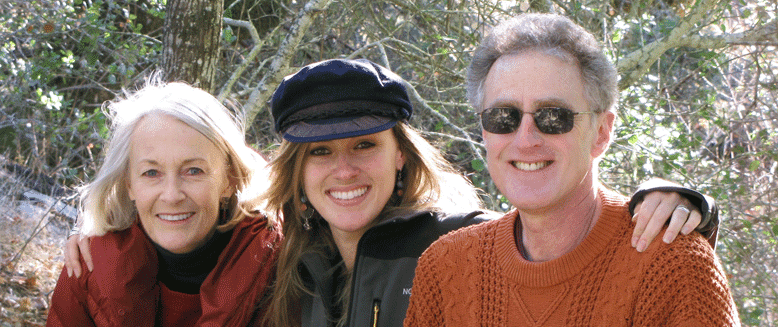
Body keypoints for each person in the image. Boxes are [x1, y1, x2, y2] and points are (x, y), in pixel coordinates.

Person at [258, 58, 718, 327]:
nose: (345, 169)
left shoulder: (453, 250)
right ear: (297, 170)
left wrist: (678, 202)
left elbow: (549, 227)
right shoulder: (283, 264)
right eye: (319, 151)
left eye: (365, 145)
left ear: (400, 154)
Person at [404, 13, 739, 326]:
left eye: (554, 116)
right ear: (484, 131)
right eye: (503, 117)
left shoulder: (673, 268)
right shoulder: (445, 269)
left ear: (601, 133)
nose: (525, 140)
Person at [47, 78, 281, 326]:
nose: (171, 195)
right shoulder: (92, 265)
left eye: (193, 171)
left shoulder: (282, 265)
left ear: (228, 179)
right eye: (151, 173)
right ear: (129, 184)